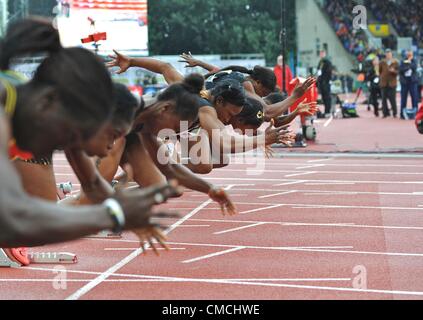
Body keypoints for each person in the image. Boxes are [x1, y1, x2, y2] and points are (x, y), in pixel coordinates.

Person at [0, 18, 177, 251]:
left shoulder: (46, 105)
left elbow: (93, 184)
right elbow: (13, 222)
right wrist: (114, 215)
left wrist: (125, 211)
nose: (67, 148)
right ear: (49, 102)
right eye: (70, 138)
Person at [379, 49, 399, 118]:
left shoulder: (395, 62)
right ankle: (385, 113)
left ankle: (395, 113)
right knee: (383, 99)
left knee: (392, 99)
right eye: (387, 54)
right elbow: (380, 71)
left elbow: (398, 72)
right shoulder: (382, 62)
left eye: (389, 54)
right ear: (385, 55)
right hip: (384, 83)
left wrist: (393, 71)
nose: (388, 55)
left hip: (392, 83)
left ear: (391, 54)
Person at [399, 50, 419, 118]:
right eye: (408, 54)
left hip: (412, 81)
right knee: (403, 98)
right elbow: (401, 69)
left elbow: (414, 67)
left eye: (410, 54)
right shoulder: (402, 61)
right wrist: (408, 66)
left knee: (414, 98)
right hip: (404, 81)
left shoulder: (414, 60)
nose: (409, 55)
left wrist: (409, 63)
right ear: (406, 54)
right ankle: (402, 113)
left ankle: (416, 113)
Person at [316, 50, 333, 117]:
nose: (321, 55)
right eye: (320, 53)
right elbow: (318, 71)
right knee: (323, 97)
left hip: (326, 82)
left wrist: (327, 80)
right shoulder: (320, 62)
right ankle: (326, 111)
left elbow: (329, 72)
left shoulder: (327, 62)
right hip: (321, 82)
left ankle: (328, 111)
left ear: (325, 54)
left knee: (327, 97)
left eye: (323, 53)